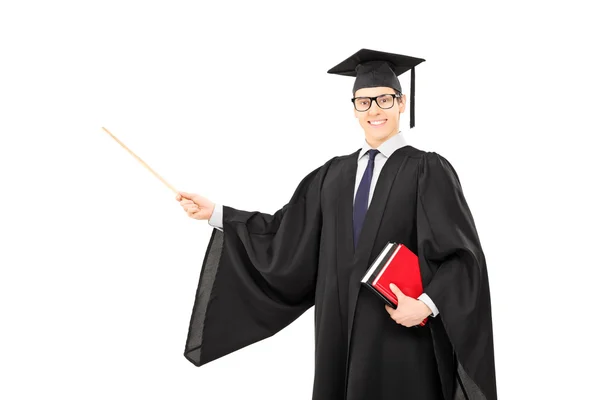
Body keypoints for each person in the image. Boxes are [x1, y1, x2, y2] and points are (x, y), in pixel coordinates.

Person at [175, 48, 497, 400]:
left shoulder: (427, 170)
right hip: (337, 332)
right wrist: (218, 213)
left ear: (401, 103)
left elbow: (463, 256)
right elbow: (286, 233)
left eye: (384, 99)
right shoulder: (332, 175)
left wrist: (426, 304)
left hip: (399, 332)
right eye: (364, 102)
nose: (374, 109)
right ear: (354, 108)